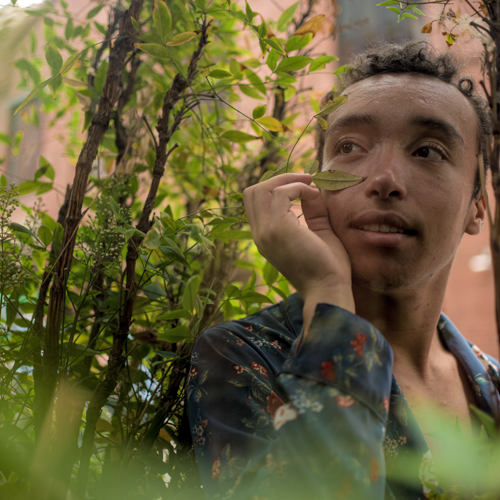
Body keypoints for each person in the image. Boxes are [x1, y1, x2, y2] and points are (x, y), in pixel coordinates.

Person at [186, 41, 500, 499]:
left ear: (477, 207)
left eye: (428, 152)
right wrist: (328, 293)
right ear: (318, 184)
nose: (384, 180)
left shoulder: (491, 386)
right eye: (349, 147)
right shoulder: (247, 357)